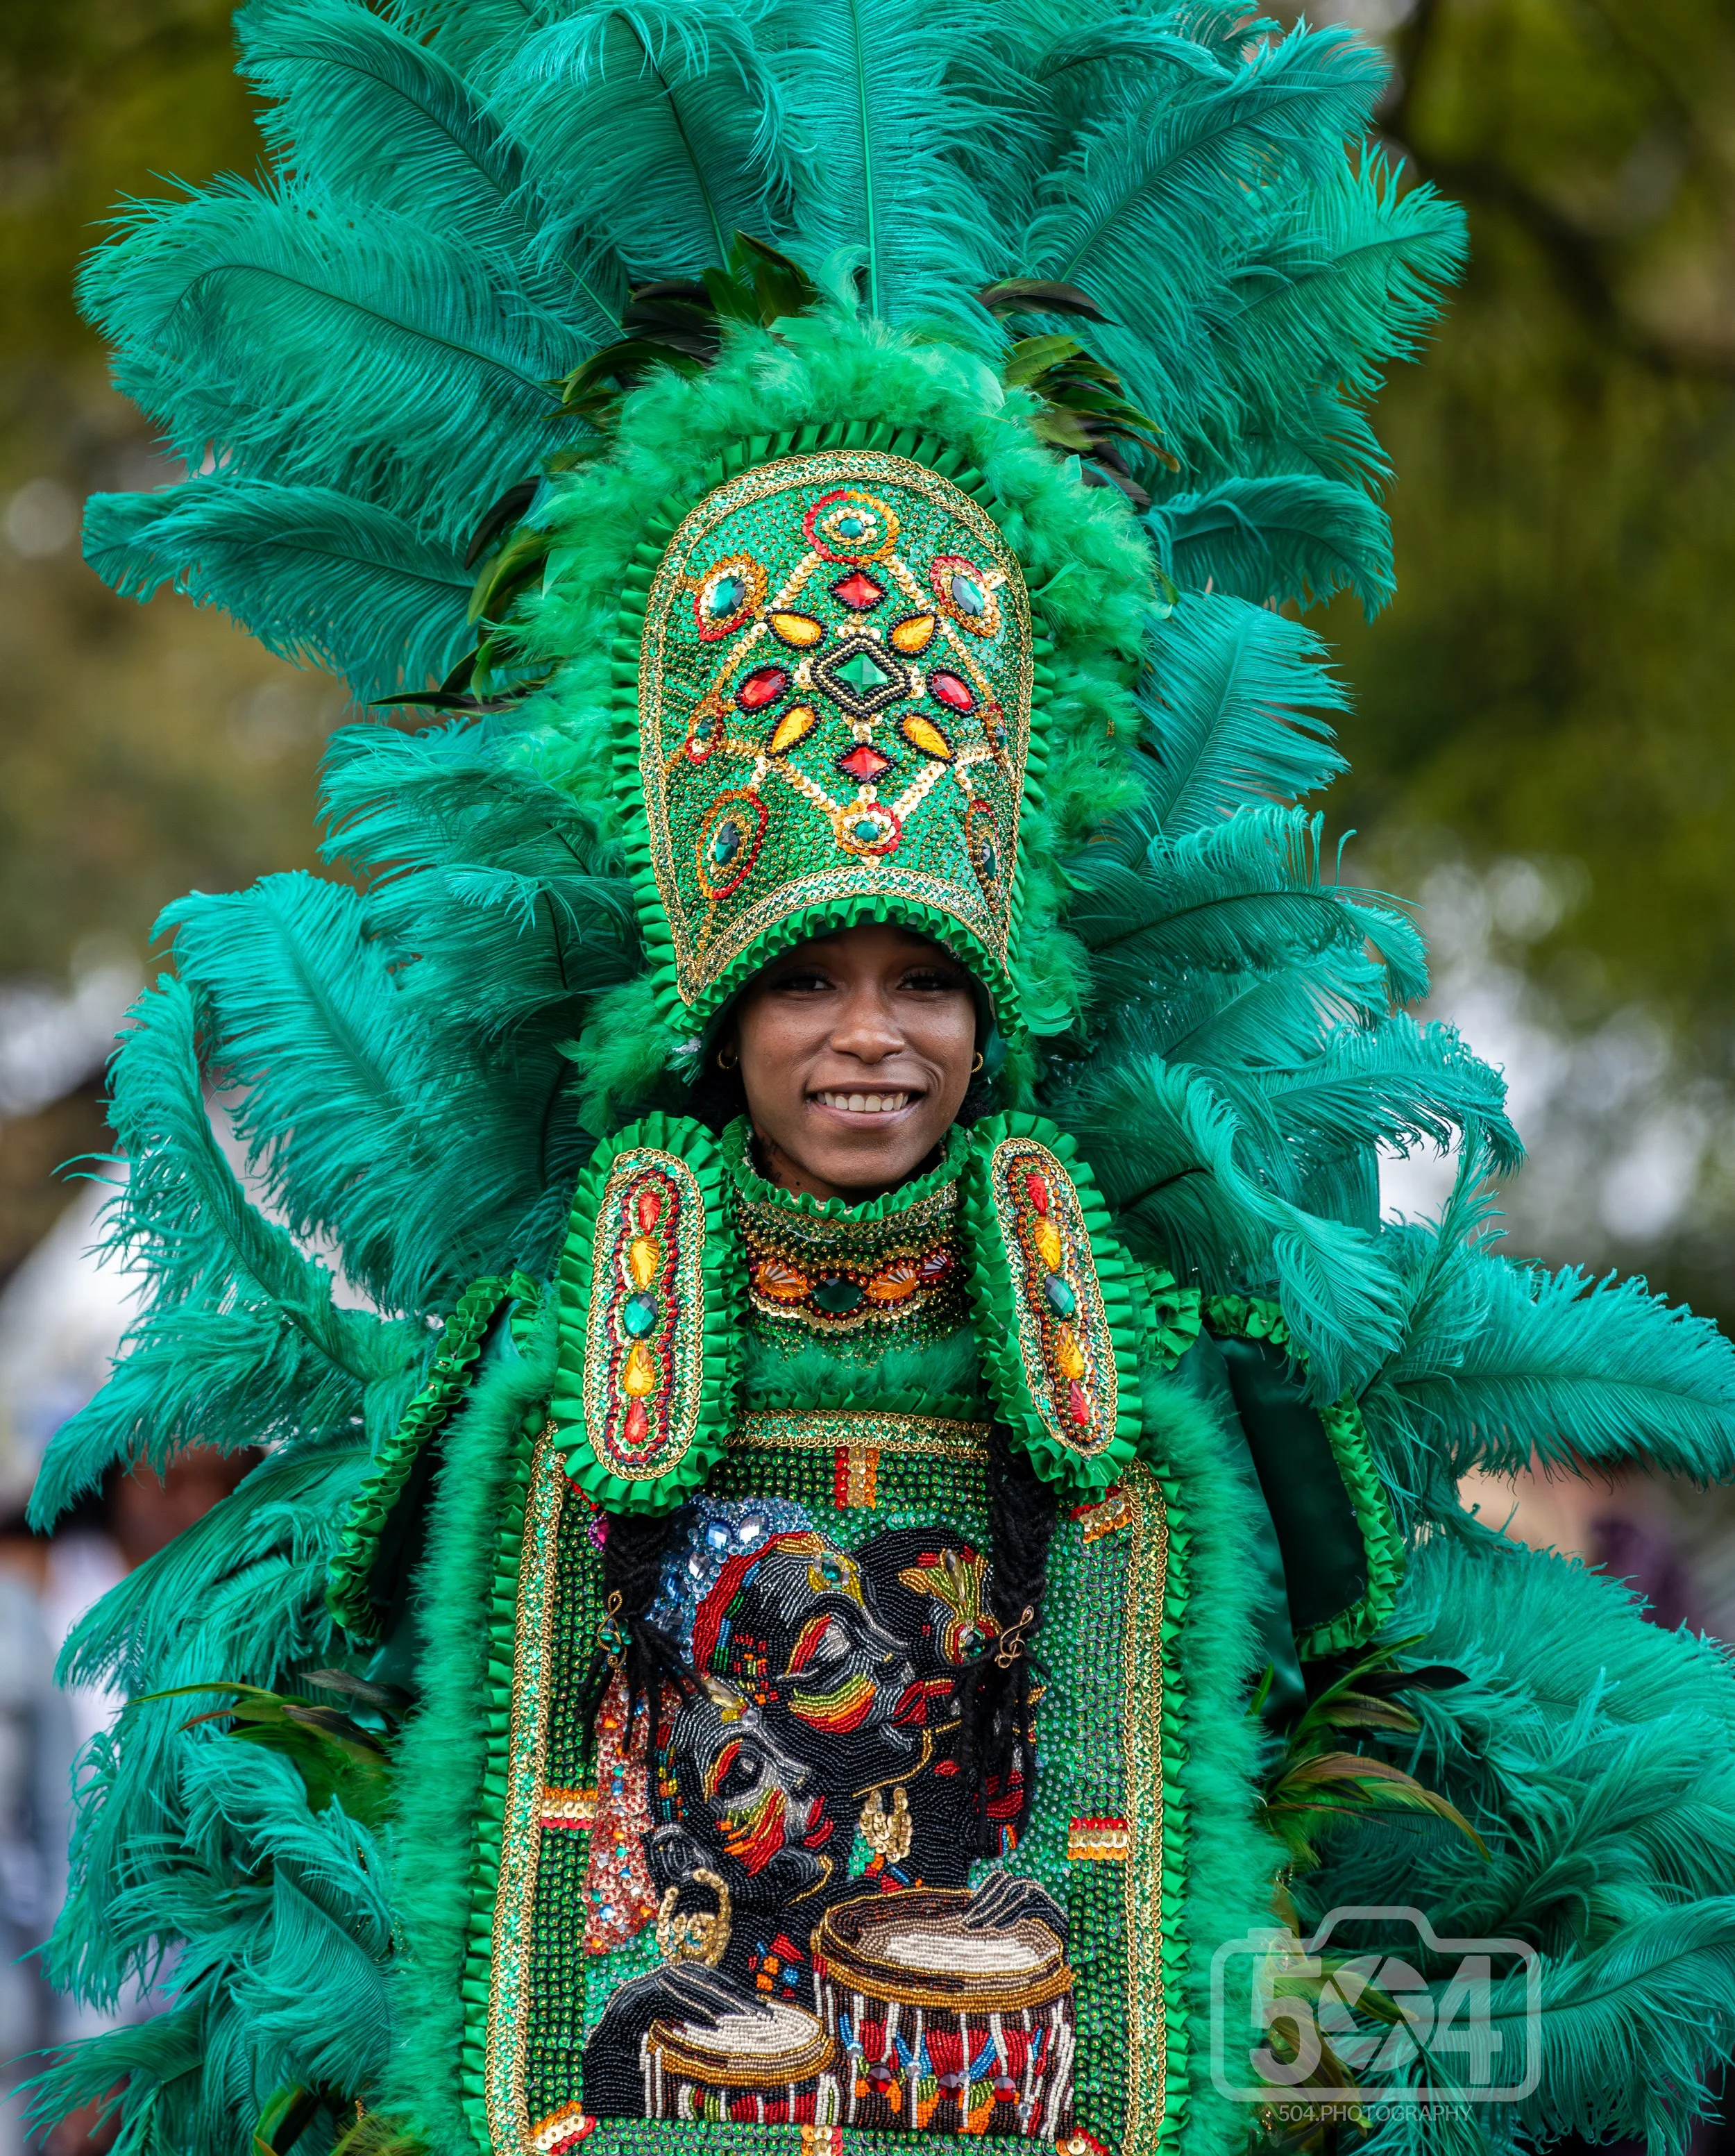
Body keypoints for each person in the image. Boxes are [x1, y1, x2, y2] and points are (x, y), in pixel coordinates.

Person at [24, 3, 1735, 2155]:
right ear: (713, 1019)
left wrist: (1335, 2032)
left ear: (992, 1010)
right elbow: (408, 1802)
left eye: (919, 983)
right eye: (803, 982)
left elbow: (1312, 1788)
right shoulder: (542, 1379)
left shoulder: (1159, 1373)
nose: (864, 1037)